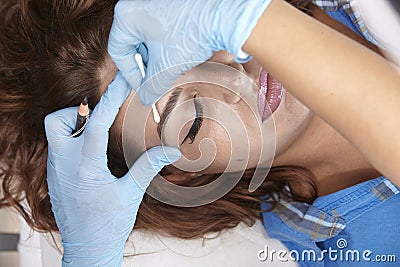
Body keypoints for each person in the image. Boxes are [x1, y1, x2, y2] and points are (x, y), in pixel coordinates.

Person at [1, 0, 399, 266]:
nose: (235, 76)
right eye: (193, 117)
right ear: (183, 174)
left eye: (198, 47)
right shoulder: (353, 249)